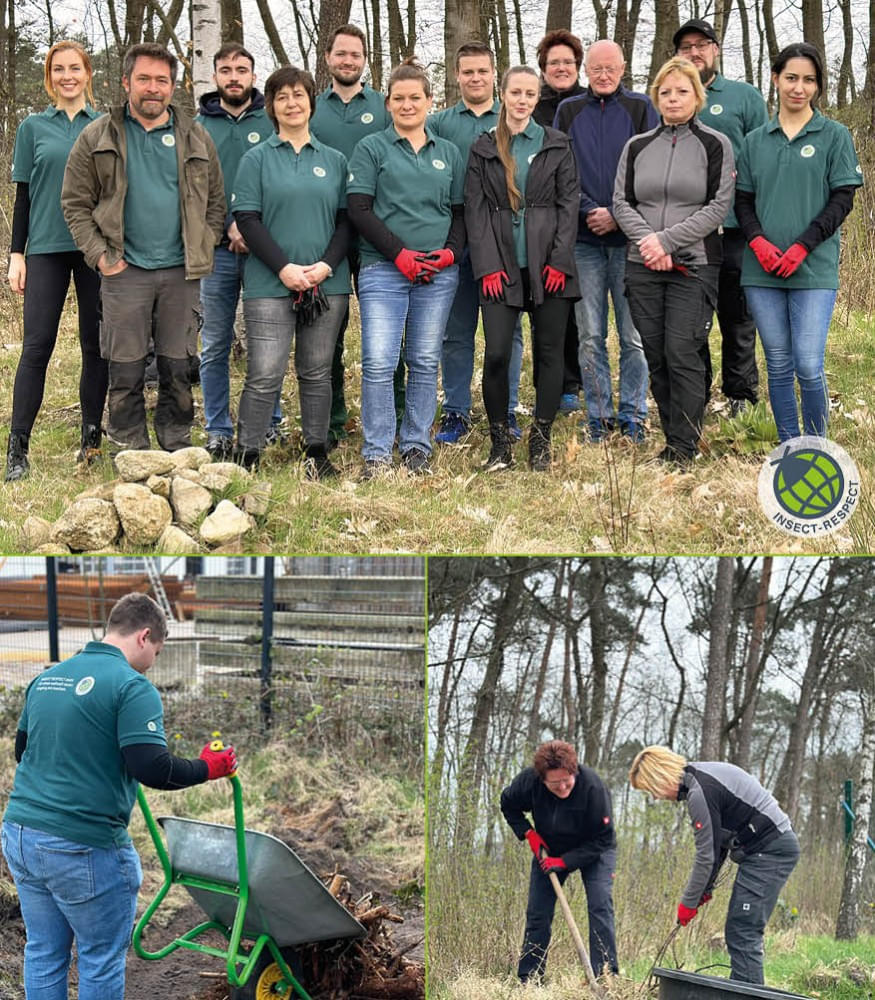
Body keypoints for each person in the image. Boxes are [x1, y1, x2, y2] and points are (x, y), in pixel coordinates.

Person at [1, 593, 238, 1000]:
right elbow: (153, 769)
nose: (154, 661)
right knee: (100, 957)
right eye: (158, 652)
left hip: (21, 834)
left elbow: (23, 752)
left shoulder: (50, 676)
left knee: (43, 950)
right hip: (83, 847)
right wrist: (208, 768)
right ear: (145, 636)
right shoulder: (132, 686)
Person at [62, 42, 225, 453]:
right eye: (144, 79)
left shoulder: (196, 136)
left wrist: (203, 244)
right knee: (125, 366)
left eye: (162, 80)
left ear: (173, 86)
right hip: (124, 270)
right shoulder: (97, 135)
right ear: (126, 82)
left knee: (177, 365)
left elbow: (216, 204)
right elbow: (75, 203)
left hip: (181, 272)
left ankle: (175, 443)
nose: (153, 88)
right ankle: (129, 446)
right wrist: (101, 256)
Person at [735, 43, 862, 441]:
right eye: (791, 78)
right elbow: (743, 200)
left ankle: (818, 443)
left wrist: (803, 245)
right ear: (776, 79)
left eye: (809, 80)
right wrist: (757, 242)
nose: (799, 87)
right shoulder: (755, 140)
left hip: (813, 268)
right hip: (762, 270)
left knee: (808, 363)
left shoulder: (834, 136)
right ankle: (791, 446)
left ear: (818, 86)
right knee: (777, 362)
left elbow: (843, 198)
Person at [613, 57, 735, 466]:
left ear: (696, 96)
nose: (673, 98)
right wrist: (649, 242)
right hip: (641, 263)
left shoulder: (715, 144)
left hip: (694, 264)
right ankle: (675, 434)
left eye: (682, 91)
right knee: (657, 353)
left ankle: (683, 446)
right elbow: (621, 202)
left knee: (682, 349)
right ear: (656, 98)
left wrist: (666, 241)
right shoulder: (637, 146)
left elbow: (718, 206)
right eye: (665, 92)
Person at [230, 66, 351, 479]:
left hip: (325, 285)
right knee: (265, 373)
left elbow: (346, 220)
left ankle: (317, 452)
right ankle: (246, 456)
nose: (292, 103)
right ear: (271, 106)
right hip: (269, 284)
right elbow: (246, 218)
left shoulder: (334, 160)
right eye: (282, 97)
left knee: (317, 371)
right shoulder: (256, 159)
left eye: (299, 95)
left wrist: (325, 266)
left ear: (311, 103)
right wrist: (283, 268)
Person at [347, 60, 464, 478]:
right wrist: (399, 254)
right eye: (400, 98)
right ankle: (377, 453)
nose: (408, 104)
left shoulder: (447, 152)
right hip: (384, 269)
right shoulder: (372, 148)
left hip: (437, 274)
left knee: (424, 358)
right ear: (388, 103)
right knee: (379, 361)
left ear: (431, 102)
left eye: (416, 97)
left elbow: (460, 212)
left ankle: (416, 446)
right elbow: (359, 209)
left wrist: (449, 254)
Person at [466, 66, 580, 472]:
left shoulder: (556, 144)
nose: (522, 100)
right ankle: (499, 444)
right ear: (503, 93)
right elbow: (475, 213)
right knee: (496, 353)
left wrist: (561, 259)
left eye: (530, 94)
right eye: (516, 92)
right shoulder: (483, 148)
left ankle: (541, 440)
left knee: (550, 355)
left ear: (536, 98)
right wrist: (489, 265)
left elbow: (570, 205)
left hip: (549, 265)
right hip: (501, 265)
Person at [5, 41, 107, 483]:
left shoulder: (106, 127)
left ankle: (91, 442)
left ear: (88, 74)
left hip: (96, 250)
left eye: (75, 68)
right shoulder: (32, 127)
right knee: (36, 346)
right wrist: (16, 254)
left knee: (95, 345)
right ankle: (17, 449)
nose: (67, 76)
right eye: (58, 69)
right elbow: (24, 196)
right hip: (45, 247)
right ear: (50, 77)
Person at [555, 39, 658, 444]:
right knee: (590, 334)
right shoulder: (569, 111)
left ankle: (633, 414)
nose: (602, 75)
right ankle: (598, 416)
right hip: (584, 240)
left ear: (622, 68)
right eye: (595, 68)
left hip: (631, 240)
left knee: (634, 335)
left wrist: (618, 213)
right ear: (586, 70)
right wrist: (588, 210)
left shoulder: (640, 108)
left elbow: (650, 170)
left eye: (609, 68)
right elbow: (561, 169)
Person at [629, 745, 800, 985]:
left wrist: (687, 903)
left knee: (743, 931)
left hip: (771, 850)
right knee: (739, 930)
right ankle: (739, 991)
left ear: (660, 777)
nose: (656, 797)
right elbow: (718, 846)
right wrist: (704, 890)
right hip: (763, 849)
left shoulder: (700, 791)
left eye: (652, 789)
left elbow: (705, 856)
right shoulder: (698, 781)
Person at [430, 42, 524, 445]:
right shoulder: (438, 124)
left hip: (504, 245)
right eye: (467, 72)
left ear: (494, 74)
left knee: (508, 334)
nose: (475, 78)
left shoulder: (513, 120)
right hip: (456, 243)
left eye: (482, 71)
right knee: (456, 332)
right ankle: (455, 411)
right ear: (457, 76)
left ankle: (506, 409)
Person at [673, 19, 768, 416]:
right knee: (691, 320)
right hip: (684, 230)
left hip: (733, 228)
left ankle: (740, 397)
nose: (694, 52)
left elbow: (764, 159)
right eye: (686, 47)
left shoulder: (744, 97)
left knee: (737, 316)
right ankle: (695, 395)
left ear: (715, 49)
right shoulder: (672, 97)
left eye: (702, 45)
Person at [310, 24, 392, 451]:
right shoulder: (311, 108)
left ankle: (391, 415)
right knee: (330, 336)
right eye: (340, 53)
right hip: (329, 237)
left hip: (379, 235)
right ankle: (333, 421)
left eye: (355, 54)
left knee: (387, 334)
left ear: (365, 59)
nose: (347, 61)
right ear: (328, 58)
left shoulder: (383, 106)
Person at [195, 42, 276, 460]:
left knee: (269, 341)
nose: (233, 77)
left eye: (241, 70)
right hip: (217, 250)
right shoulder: (196, 126)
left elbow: (278, 179)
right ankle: (218, 428)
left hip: (264, 249)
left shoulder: (272, 120)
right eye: (225, 69)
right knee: (215, 343)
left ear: (252, 75)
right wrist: (226, 224)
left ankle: (271, 421)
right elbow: (194, 188)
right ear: (215, 77)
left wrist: (250, 228)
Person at [500, 740, 618, 983]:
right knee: (538, 913)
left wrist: (564, 862)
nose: (563, 787)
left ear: (574, 772)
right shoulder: (529, 783)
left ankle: (606, 977)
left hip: (594, 849)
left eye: (567, 780)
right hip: (549, 849)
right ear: (542, 779)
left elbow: (604, 840)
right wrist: (529, 834)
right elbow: (508, 803)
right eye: (555, 783)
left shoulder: (593, 788)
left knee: (599, 905)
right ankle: (530, 979)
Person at [532, 29, 586, 416]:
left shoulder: (591, 103)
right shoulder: (532, 107)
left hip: (592, 221)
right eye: (555, 63)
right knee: (551, 311)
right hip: (546, 226)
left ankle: (580, 379)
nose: (562, 68)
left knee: (585, 315)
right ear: (543, 68)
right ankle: (560, 383)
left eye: (568, 61)